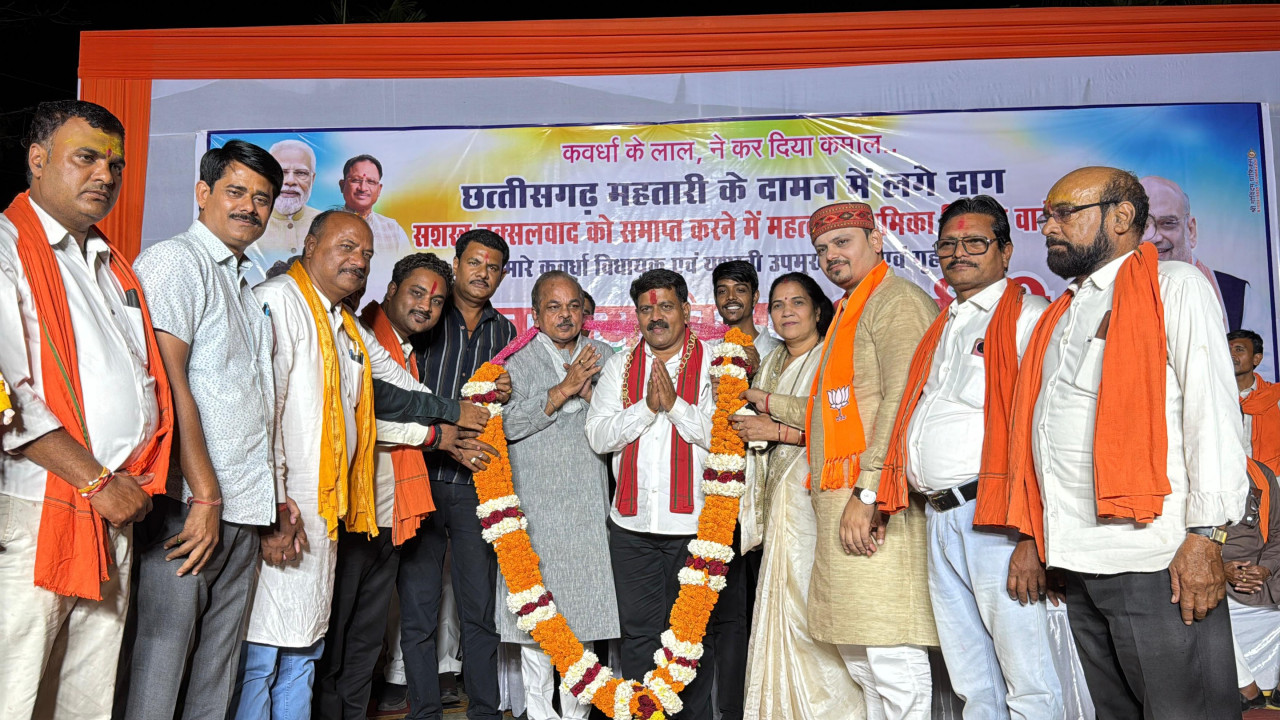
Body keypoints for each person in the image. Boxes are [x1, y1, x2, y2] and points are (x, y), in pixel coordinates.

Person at [1002, 167, 1247, 718]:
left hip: (1157, 558)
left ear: (1121, 217)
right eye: (1046, 215)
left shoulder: (1174, 286)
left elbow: (1212, 414)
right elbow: (1048, 433)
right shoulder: (1063, 310)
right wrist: (1037, 538)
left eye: (1066, 213)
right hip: (1078, 559)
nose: (1049, 227)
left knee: (1186, 711)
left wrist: (1206, 537)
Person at [232, 211, 482, 720]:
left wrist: (450, 414)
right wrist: (274, 506)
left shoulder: (345, 325)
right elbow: (261, 415)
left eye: (366, 254)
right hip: (284, 509)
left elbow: (389, 385)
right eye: (346, 247)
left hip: (330, 512)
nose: (358, 261)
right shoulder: (277, 301)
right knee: (263, 653)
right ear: (310, 244)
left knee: (306, 648)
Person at [0, 100, 173, 718]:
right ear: (37, 159)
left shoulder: (107, 262)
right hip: (41, 507)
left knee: (86, 699)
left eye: (115, 164)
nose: (105, 174)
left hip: (114, 505)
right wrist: (95, 480)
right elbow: (9, 395)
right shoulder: (7, 247)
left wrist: (115, 485)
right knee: (15, 690)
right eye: (87, 157)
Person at [874, 196, 1060, 719]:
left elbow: (1043, 430)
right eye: (948, 244)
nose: (959, 253)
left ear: (1006, 251)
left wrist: (1031, 537)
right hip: (939, 515)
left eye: (975, 242)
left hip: (999, 519)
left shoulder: (1028, 318)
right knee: (971, 679)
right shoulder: (945, 323)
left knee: (1028, 676)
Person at [120, 140, 282, 720]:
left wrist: (270, 496)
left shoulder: (244, 281)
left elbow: (251, 399)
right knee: (162, 657)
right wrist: (205, 496)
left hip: (243, 504)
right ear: (203, 193)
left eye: (262, 199)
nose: (249, 208)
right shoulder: (175, 261)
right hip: (189, 506)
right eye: (236, 192)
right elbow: (170, 383)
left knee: (218, 666)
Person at [314, 252, 480, 719]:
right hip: (354, 509)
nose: (425, 305)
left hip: (392, 511)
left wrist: (456, 421)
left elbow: (415, 401)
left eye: (436, 300)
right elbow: (361, 414)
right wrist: (436, 435)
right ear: (390, 290)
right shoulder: (363, 333)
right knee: (335, 634)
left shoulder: (404, 349)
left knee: (366, 638)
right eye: (416, 292)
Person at [803, 201, 940, 719]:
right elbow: (837, 405)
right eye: (822, 249)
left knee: (890, 652)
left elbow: (903, 399)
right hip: (844, 501)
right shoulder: (851, 308)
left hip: (876, 504)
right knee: (862, 659)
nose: (831, 256)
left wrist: (868, 492)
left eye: (843, 242)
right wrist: (768, 404)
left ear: (877, 240)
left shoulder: (895, 301)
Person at [586, 268, 717, 719]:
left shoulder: (718, 365)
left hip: (695, 527)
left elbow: (725, 438)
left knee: (691, 639)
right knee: (639, 635)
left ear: (686, 310)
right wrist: (646, 408)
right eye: (645, 309)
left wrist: (676, 406)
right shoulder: (620, 366)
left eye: (665, 306)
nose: (655, 317)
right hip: (632, 526)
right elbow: (598, 435)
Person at [733, 272, 862, 720]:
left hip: (819, 499)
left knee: (814, 608)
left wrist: (778, 431)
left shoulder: (833, 358)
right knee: (784, 607)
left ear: (819, 310)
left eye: (797, 302)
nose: (787, 312)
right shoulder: (770, 362)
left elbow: (848, 424)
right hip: (780, 502)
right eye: (778, 304)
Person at [399, 229, 516, 720]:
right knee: (419, 609)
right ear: (457, 263)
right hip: (420, 478)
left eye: (493, 267)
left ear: (502, 275)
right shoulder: (426, 316)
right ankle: (424, 710)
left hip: (476, 488)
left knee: (478, 609)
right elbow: (402, 392)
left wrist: (508, 393)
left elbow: (510, 413)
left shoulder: (506, 333)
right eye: (474, 262)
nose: (482, 273)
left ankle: (485, 710)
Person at [499, 270, 618, 720]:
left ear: (584, 311)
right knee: (534, 623)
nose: (565, 315)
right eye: (554, 307)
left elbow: (624, 423)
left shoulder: (607, 357)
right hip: (534, 510)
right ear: (535, 315)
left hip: (589, 508)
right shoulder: (513, 361)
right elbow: (503, 427)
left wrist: (592, 396)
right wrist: (563, 390)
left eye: (572, 306)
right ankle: (538, 714)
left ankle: (577, 715)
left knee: (582, 621)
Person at [708, 258, 776, 720]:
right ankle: (733, 706)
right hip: (726, 499)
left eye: (739, 290)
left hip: (772, 493)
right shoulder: (709, 354)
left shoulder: (779, 348)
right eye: (722, 290)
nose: (730, 298)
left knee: (770, 602)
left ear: (755, 297)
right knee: (731, 609)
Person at [1140, 175, 1248, 331]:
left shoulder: (1241, 297)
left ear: (1190, 231)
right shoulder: (1111, 292)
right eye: (1142, 226)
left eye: (1168, 223)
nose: (1154, 238)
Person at [1223, 459, 1280, 712]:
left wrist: (1265, 568)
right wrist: (1220, 569)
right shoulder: (1185, 469)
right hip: (1213, 566)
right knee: (1196, 588)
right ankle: (1247, 688)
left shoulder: (1260, 473)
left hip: (1263, 566)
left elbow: (1278, 531)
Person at [247, 139, 322, 285]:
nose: (290, 181)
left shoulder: (327, 224)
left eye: (301, 173)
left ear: (312, 179)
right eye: (282, 172)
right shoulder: (245, 223)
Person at [340, 154, 411, 297]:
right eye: (356, 180)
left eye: (371, 182)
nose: (363, 188)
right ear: (342, 185)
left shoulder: (393, 230)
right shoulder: (325, 225)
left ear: (379, 189)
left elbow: (409, 277)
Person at [1232, 329, 1280, 475]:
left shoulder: (1274, 397)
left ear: (1256, 359)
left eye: (1239, 350)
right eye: (1226, 350)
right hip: (1227, 478)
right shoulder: (1213, 396)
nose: (1231, 355)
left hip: (1271, 478)